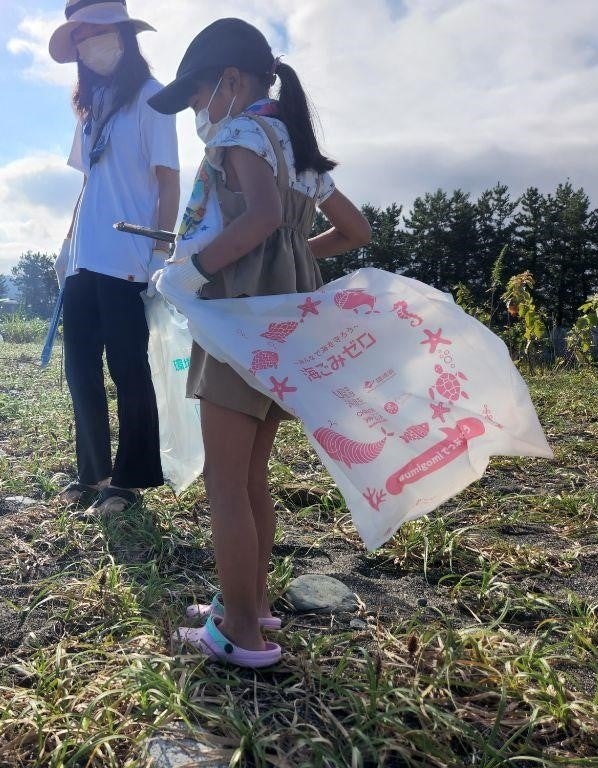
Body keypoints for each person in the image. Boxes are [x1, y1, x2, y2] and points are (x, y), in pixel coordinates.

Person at [149, 18, 372, 667]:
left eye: (195, 97)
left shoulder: (240, 131)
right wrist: (287, 257)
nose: (196, 112)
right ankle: (246, 601)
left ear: (230, 82)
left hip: (240, 321)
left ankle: (241, 634)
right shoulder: (294, 144)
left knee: (225, 481)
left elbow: (263, 216)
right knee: (251, 478)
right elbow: (355, 229)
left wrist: (195, 269)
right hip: (287, 322)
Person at [48, 0, 181, 514]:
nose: (90, 44)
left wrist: (157, 248)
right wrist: (66, 244)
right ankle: (93, 471)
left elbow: (166, 180)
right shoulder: (92, 106)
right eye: (80, 38)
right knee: (79, 366)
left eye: (98, 33)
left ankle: (130, 480)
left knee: (129, 369)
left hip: (129, 254)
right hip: (84, 256)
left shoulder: (151, 98)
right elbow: (89, 182)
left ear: (124, 36)